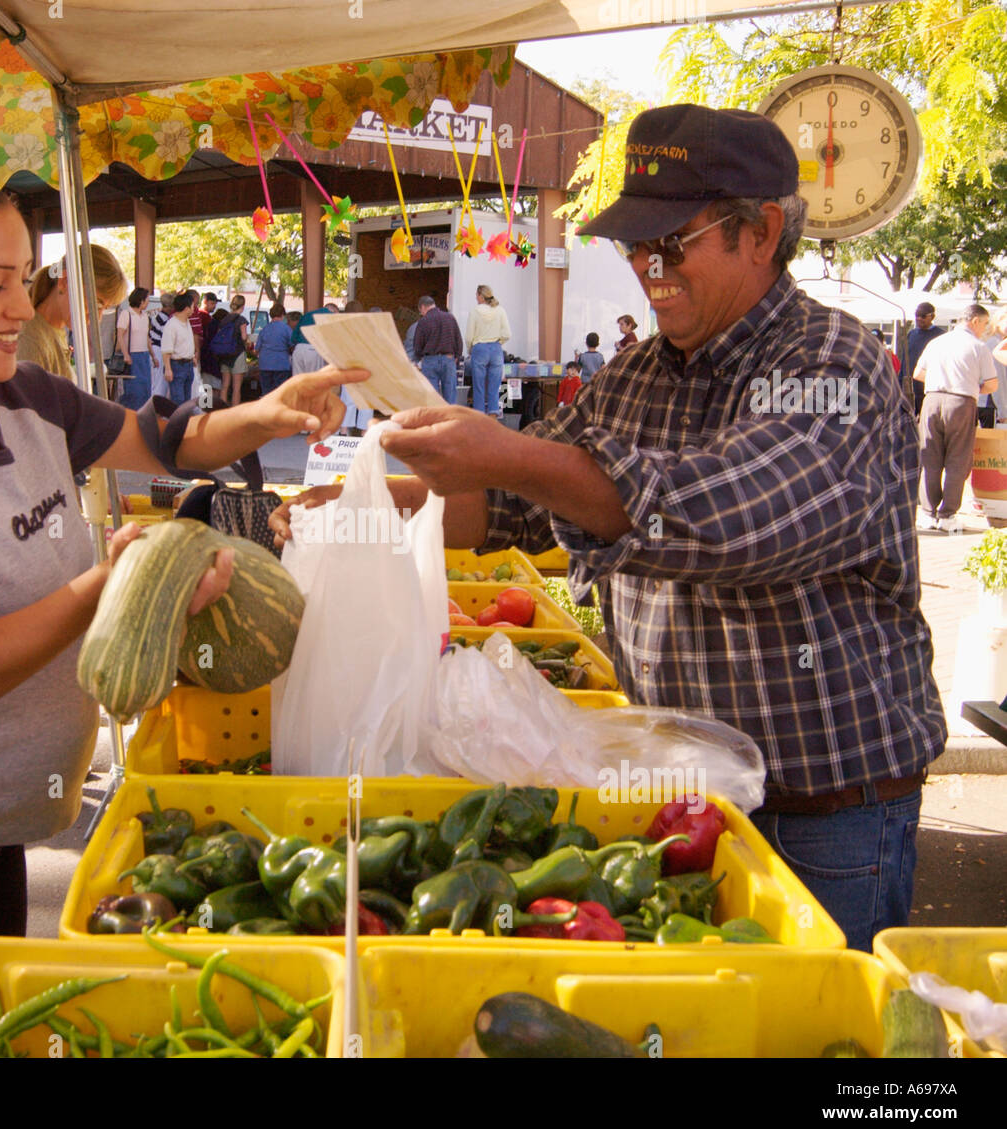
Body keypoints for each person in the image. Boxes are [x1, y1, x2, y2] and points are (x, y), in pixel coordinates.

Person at [273, 104, 947, 952]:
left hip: (826, 813)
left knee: (812, 1033)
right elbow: (516, 504)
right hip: (677, 786)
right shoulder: (635, 375)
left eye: (671, 241)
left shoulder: (834, 368)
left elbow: (723, 519)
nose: (646, 265)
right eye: (635, 244)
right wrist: (365, 510)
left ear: (762, 232)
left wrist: (509, 456)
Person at [0, 168, 364, 935]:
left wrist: (268, 412)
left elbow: (169, 441)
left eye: (26, 280)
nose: (23, 309)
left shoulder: (27, 395)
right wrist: (112, 581)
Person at [913, 305, 1003, 531]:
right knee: (957, 460)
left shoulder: (936, 342)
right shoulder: (977, 347)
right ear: (974, 321)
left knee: (930, 457)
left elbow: (918, 373)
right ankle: (947, 514)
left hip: (932, 400)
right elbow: (992, 384)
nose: (984, 329)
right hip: (962, 402)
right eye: (983, 324)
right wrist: (969, 385)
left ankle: (927, 512)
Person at [16, 245, 127, 376]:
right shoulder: (31, 341)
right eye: (96, 303)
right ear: (64, 282)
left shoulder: (52, 332)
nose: (98, 317)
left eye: (105, 309)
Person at [465, 284, 510, 418]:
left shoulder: (474, 311)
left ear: (480, 296)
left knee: (479, 386)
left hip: (479, 348)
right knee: (494, 386)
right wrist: (498, 342)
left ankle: (479, 416)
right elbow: (507, 334)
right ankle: (493, 415)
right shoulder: (500, 310)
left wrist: (470, 349)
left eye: (476, 295)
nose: (475, 298)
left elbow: (468, 336)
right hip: (496, 349)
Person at [413, 293, 463, 404]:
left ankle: (435, 420)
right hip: (448, 359)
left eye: (420, 311)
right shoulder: (450, 318)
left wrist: (419, 358)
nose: (421, 314)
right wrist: (457, 356)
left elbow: (417, 345)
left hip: (430, 361)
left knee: (432, 397)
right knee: (450, 395)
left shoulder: (423, 321)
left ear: (423, 307)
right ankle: (450, 419)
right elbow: (458, 340)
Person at [114, 286, 152, 411]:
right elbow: (120, 335)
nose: (148, 303)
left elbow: (146, 336)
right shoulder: (126, 314)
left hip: (144, 355)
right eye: (147, 300)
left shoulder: (145, 316)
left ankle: (142, 414)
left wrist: (153, 355)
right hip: (132, 355)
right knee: (134, 390)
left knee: (146, 388)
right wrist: (126, 354)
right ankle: (130, 414)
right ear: (141, 300)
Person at [214, 294, 253, 406]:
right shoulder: (242, 320)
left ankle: (222, 408)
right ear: (243, 305)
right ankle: (235, 411)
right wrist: (248, 342)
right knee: (236, 387)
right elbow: (244, 337)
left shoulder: (224, 319)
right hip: (238, 354)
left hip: (225, 354)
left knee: (225, 385)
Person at [904, 302, 943, 413]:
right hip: (909, 387)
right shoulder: (911, 334)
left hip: (929, 387)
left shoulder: (940, 335)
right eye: (917, 315)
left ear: (932, 316)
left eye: (923, 316)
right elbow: (905, 359)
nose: (919, 318)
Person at [161, 289, 199, 404]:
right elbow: (166, 350)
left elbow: (186, 342)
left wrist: (192, 357)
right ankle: (178, 422)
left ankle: (184, 421)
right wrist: (168, 369)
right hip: (177, 366)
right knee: (178, 400)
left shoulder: (187, 322)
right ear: (186, 308)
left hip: (188, 365)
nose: (194, 309)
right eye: (193, 306)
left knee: (187, 400)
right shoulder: (171, 325)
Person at [255, 303, 293, 394]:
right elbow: (292, 345)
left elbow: (257, 349)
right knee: (280, 392)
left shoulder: (264, 329)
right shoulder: (287, 329)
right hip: (281, 363)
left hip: (265, 363)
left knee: (266, 391)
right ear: (283, 315)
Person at [149, 291, 174, 399]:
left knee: (156, 381)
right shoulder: (164, 319)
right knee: (159, 382)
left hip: (155, 349)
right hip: (159, 350)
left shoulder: (157, 317)